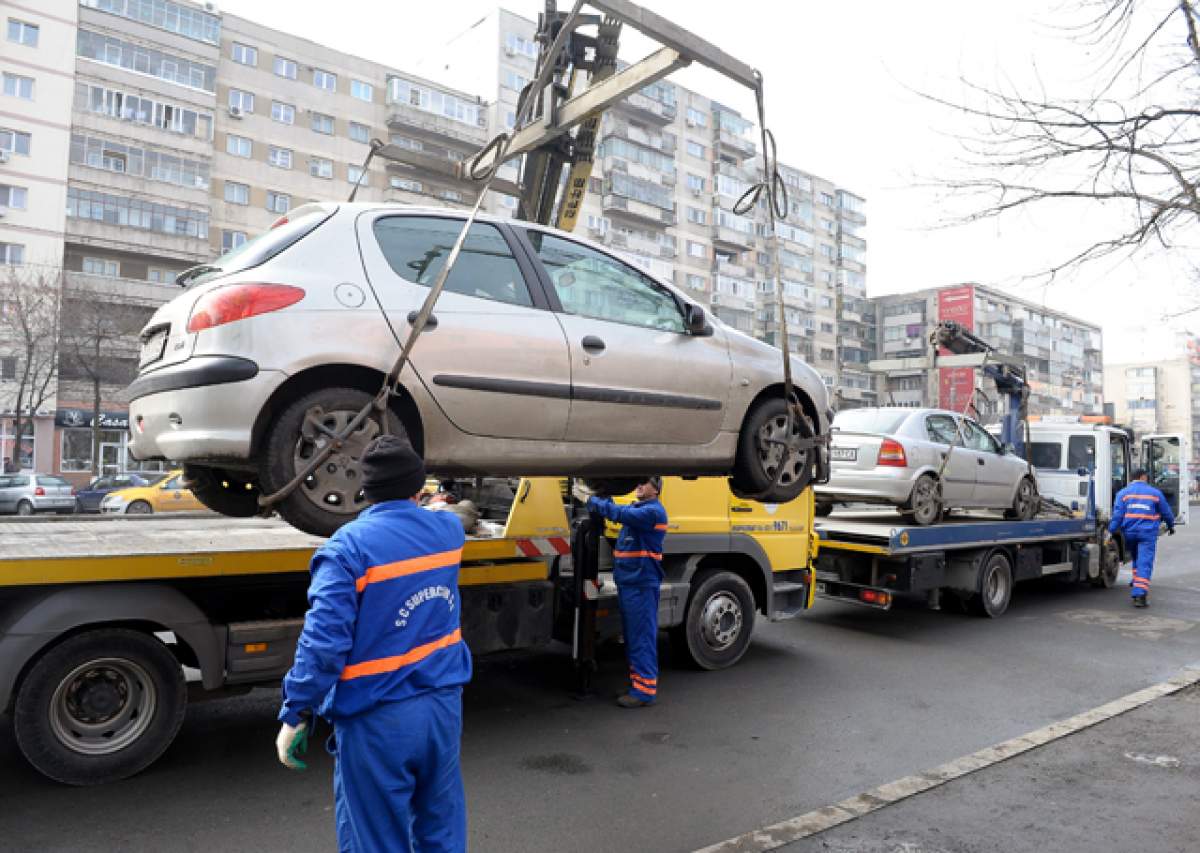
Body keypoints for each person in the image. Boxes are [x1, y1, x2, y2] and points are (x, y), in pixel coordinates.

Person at [275, 435, 471, 852]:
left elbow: (323, 644)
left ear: (364, 490)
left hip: (376, 719)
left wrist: (296, 710)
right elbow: (453, 515)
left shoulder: (347, 549)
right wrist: (434, 503)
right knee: (441, 828)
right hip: (441, 710)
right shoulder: (448, 533)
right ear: (418, 488)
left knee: (376, 840)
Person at [572, 477, 668, 708]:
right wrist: (602, 494)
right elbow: (618, 510)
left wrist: (590, 499)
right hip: (631, 584)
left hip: (640, 585)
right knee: (633, 637)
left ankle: (644, 691)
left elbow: (619, 514)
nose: (639, 485)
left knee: (640, 638)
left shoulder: (653, 512)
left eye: (644, 483)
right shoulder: (640, 509)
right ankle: (638, 684)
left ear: (656, 489)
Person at [1109, 467, 1175, 608]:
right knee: (1145, 562)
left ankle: (1136, 580)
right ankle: (1140, 595)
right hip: (1147, 534)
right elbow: (1167, 513)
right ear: (1143, 477)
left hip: (1130, 534)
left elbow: (1117, 516)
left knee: (1136, 558)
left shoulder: (1123, 494)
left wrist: (1111, 531)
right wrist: (1171, 525)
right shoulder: (1155, 493)